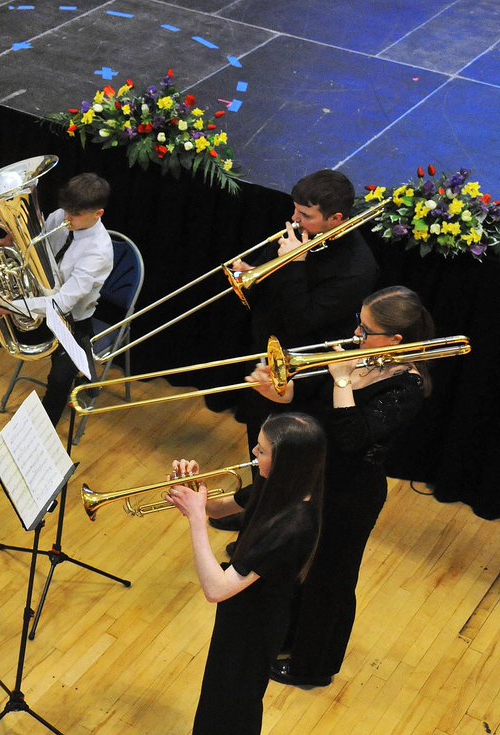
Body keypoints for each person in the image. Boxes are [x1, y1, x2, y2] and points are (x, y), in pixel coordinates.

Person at [244, 285, 433, 688]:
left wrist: (343, 380)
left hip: (352, 494)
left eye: (366, 331)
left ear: (396, 340)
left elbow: (352, 437)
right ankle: (289, 639)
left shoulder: (407, 386)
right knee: (300, 569)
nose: (356, 336)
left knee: (331, 580)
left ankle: (313, 666)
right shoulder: (359, 358)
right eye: (359, 325)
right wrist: (280, 392)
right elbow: (310, 402)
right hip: (318, 478)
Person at [214, 169, 378, 532]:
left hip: (298, 373)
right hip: (266, 353)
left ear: (336, 218)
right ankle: (257, 509)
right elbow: (280, 297)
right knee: (259, 445)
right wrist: (254, 273)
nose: (294, 220)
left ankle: (267, 529)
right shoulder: (304, 234)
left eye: (306, 215)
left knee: (282, 455)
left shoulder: (357, 268)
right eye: (296, 210)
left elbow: (303, 319)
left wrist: (294, 265)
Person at [167, 412, 325, 735]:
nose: (253, 454)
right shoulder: (279, 485)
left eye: (261, 451)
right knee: (217, 701)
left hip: (255, 625)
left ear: (285, 461)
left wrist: (196, 519)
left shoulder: (292, 526)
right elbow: (221, 508)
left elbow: (216, 588)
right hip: (240, 612)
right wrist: (196, 490)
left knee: (233, 708)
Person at [0, 172, 114, 427]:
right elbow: (33, 250)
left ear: (97, 214)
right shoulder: (61, 216)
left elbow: (61, 304)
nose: (66, 219)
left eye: (74, 215)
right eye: (65, 211)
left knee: (59, 379)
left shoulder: (98, 252)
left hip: (70, 323)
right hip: (34, 307)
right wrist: (8, 242)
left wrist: (10, 306)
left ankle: (39, 444)